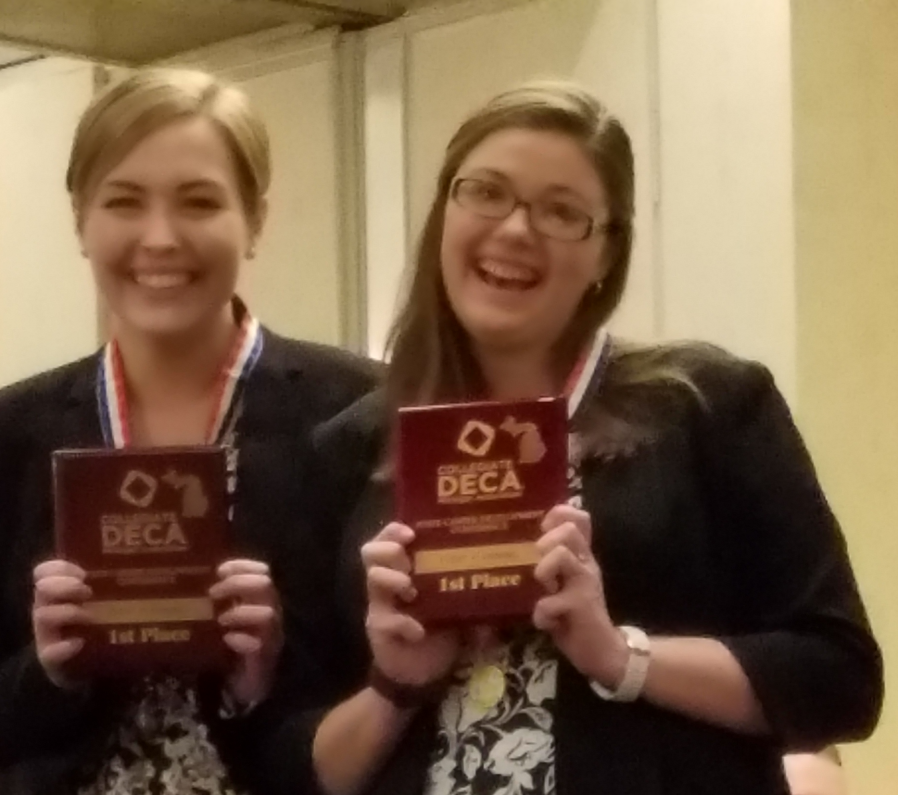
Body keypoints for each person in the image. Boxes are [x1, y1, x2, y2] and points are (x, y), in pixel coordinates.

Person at [288, 81, 883, 795]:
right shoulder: (350, 446)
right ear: (444, 212)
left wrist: (620, 657)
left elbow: (839, 679)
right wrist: (394, 687)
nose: (515, 229)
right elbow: (293, 762)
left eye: (562, 211)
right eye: (486, 192)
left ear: (607, 254)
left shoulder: (709, 406)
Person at [0, 68, 378, 795]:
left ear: (256, 219)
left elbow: (404, 690)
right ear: (81, 220)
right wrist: (50, 672)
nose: (160, 238)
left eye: (199, 202)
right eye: (123, 202)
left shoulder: (357, 412)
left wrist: (266, 673)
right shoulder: (7, 433)